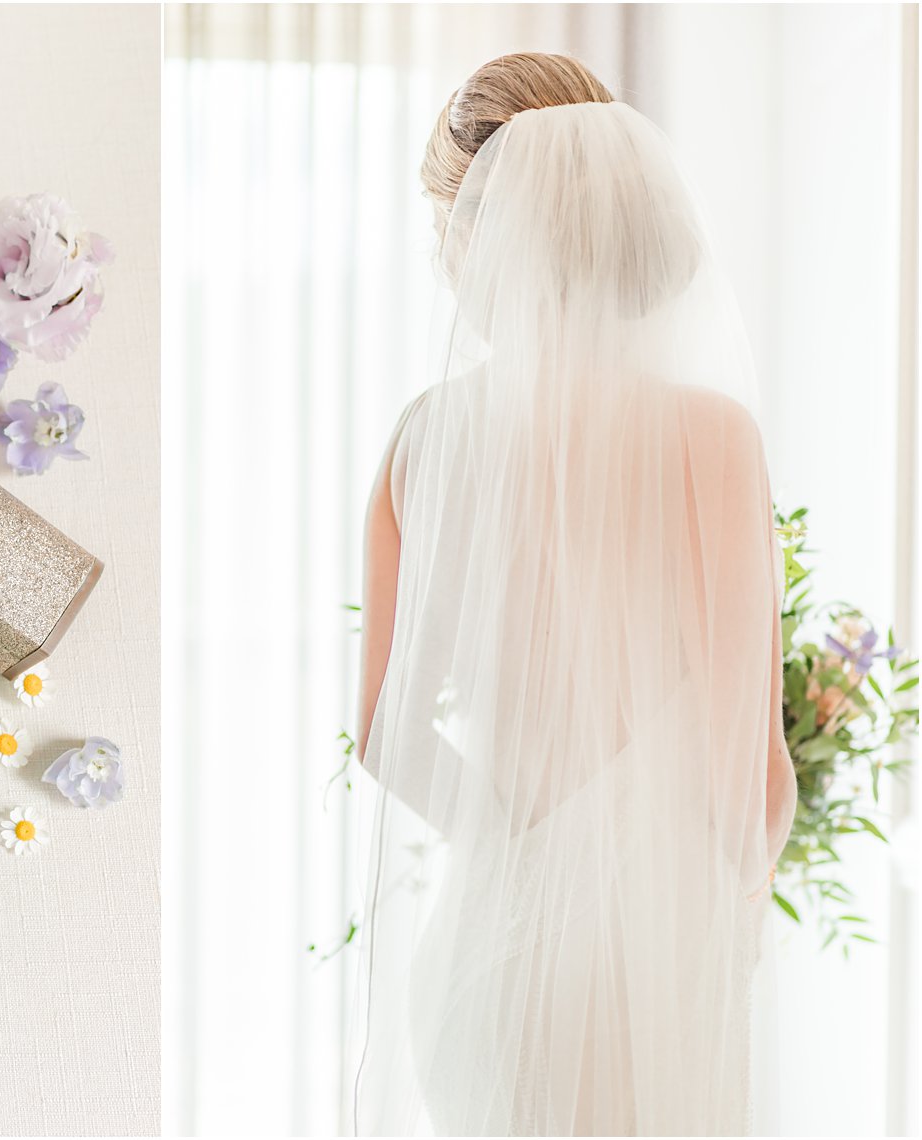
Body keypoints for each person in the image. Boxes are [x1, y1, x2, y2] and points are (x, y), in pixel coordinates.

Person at [353, 53, 796, 1136]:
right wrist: (715, 904)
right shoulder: (711, 438)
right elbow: (755, 771)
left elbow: (382, 730)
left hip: (485, 953)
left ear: (471, 240)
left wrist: (519, 851)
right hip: (653, 947)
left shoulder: (425, 439)